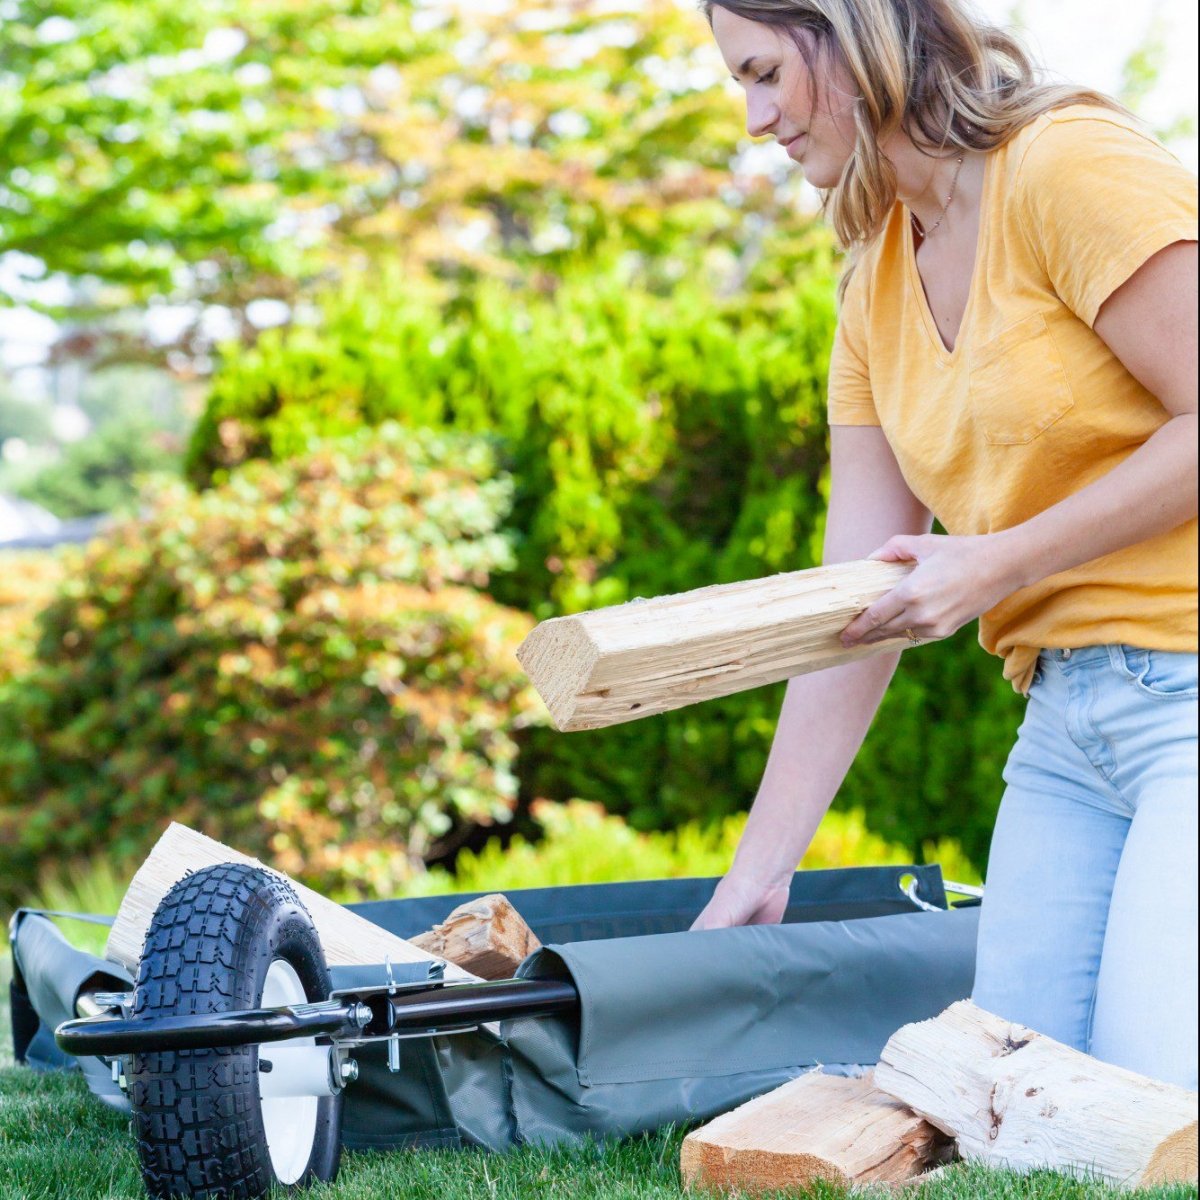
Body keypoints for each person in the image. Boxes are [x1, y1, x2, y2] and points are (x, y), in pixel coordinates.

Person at [691, 0, 1198, 1092]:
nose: (755, 115)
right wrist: (757, 872)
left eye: (766, 71)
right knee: (1009, 1114)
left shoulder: (1065, 167)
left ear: (853, 30)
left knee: (1147, 1110)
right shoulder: (872, 283)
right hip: (1066, 731)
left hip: (1191, 690)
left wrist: (996, 562)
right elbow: (857, 604)